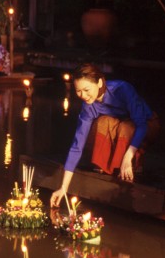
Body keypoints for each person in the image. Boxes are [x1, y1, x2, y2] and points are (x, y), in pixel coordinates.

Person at [50, 63, 159, 207]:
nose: (83, 95)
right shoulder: (88, 106)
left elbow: (141, 124)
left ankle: (131, 163)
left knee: (126, 127)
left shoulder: (122, 89)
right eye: (78, 91)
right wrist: (63, 188)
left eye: (86, 90)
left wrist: (128, 156)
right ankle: (111, 165)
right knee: (102, 122)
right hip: (120, 128)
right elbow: (78, 145)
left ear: (100, 82)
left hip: (145, 125)